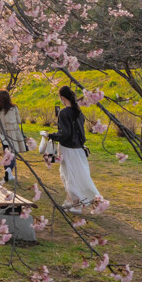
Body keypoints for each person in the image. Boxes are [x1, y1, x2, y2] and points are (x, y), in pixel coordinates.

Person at [47, 85, 102, 213]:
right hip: (79, 149)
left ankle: (75, 205)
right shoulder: (78, 112)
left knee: (69, 176)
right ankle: (71, 202)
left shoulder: (64, 112)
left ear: (62, 97)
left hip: (68, 149)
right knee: (79, 176)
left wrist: (51, 135)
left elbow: (65, 133)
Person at [0, 89, 26, 182]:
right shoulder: (14, 108)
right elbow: (19, 121)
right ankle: (9, 170)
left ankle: (7, 171)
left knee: (6, 153)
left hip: (4, 135)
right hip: (13, 134)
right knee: (13, 153)